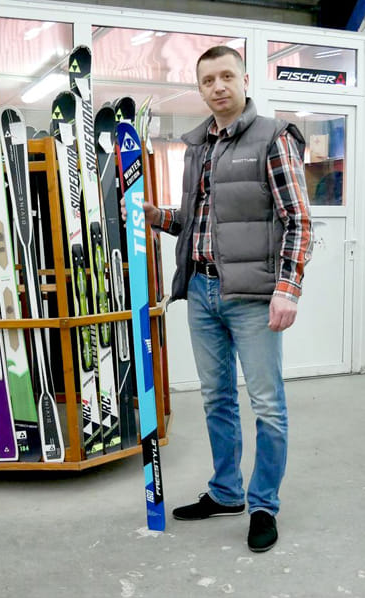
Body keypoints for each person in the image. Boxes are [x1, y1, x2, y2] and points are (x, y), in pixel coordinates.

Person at [122, 45, 312, 552]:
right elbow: (197, 222)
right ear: (201, 88)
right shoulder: (197, 146)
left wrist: (287, 289)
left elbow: (298, 221)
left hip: (253, 296)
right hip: (202, 290)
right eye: (208, 80)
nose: (218, 86)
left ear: (245, 80)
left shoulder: (273, 137)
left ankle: (263, 504)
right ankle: (226, 492)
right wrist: (157, 216)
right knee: (216, 398)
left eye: (227, 76)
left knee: (267, 404)